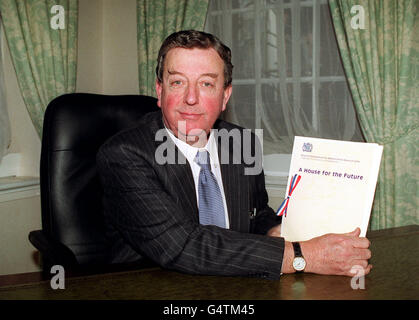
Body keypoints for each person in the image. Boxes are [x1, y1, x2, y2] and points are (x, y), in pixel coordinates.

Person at [96, 30, 372, 280]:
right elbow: (184, 245)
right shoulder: (124, 155)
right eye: (178, 82)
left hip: (237, 286)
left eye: (206, 84)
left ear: (225, 96)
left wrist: (275, 232)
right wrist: (304, 255)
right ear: (160, 91)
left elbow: (256, 214)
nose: (191, 98)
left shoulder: (242, 143)